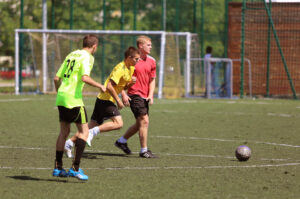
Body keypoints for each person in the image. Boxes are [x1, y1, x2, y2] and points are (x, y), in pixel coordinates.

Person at [64, 46, 140, 158]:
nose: (138, 61)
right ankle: (93, 132)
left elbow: (122, 87)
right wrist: (118, 100)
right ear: (129, 57)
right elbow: (109, 86)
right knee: (118, 123)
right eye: (136, 59)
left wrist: (130, 84)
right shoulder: (120, 68)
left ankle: (69, 143)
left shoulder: (131, 68)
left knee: (88, 127)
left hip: (103, 99)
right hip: (106, 99)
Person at [52, 35, 106, 181]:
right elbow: (85, 78)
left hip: (62, 96)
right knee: (84, 131)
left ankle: (58, 168)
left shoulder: (71, 54)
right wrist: (100, 85)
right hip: (73, 100)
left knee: (64, 132)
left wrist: (60, 92)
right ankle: (75, 168)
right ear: (94, 46)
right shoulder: (88, 57)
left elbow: (56, 78)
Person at [115, 35, 157, 158]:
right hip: (134, 94)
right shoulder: (133, 61)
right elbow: (122, 79)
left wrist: (150, 95)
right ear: (140, 46)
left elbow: (152, 80)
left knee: (140, 123)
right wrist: (123, 93)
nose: (151, 47)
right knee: (144, 121)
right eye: (148, 45)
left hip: (145, 96)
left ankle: (121, 141)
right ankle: (144, 150)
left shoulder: (152, 61)